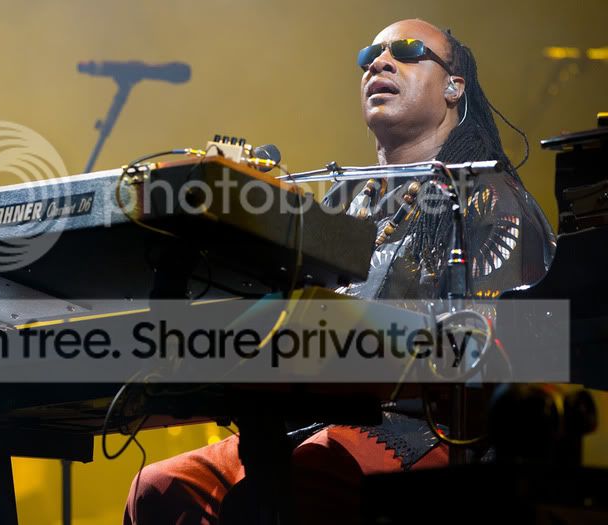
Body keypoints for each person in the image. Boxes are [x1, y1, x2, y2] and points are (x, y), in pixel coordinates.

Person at [124, 18, 555, 524]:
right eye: (369, 56)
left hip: (421, 430)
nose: (379, 63)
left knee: (305, 476)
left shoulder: (490, 197)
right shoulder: (344, 201)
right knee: (159, 487)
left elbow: (503, 354)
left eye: (407, 51)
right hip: (306, 422)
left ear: (454, 87)